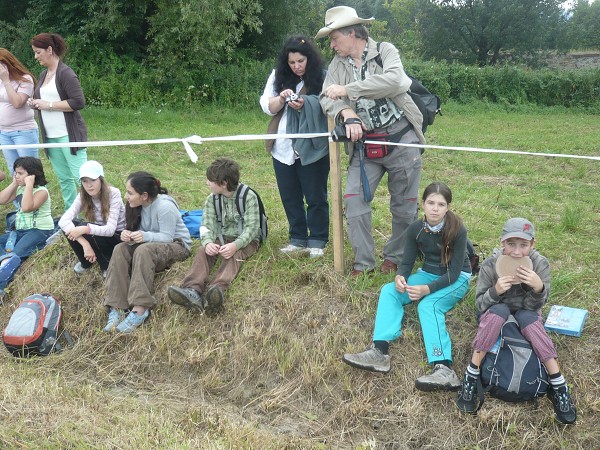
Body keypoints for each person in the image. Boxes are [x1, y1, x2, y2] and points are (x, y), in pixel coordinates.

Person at [318, 6, 425, 276]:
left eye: (334, 38)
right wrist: (347, 112)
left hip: (402, 140)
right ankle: (363, 263)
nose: (331, 45)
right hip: (365, 147)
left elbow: (395, 81)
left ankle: (396, 258)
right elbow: (325, 97)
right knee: (354, 201)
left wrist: (348, 90)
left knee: (404, 207)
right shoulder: (337, 65)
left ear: (351, 32)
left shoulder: (386, 51)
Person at [342, 183, 471, 391]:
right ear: (423, 204)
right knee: (389, 291)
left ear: (448, 207)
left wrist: (427, 290)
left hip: (456, 278)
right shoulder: (416, 229)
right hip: (427, 273)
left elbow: (454, 272)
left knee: (428, 306)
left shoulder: (458, 229)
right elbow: (407, 261)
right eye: (430, 203)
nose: (435, 208)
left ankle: (444, 368)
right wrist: (401, 277)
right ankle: (380, 352)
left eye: (441, 204)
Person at [456, 218, 576, 424]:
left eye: (524, 245)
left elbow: (534, 307)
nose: (517, 252)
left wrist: (537, 288)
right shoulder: (491, 264)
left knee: (528, 318)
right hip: (495, 313)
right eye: (511, 244)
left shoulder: (539, 264)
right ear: (502, 243)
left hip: (525, 313)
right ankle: (471, 373)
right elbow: (480, 305)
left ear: (532, 244)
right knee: (500, 310)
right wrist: (496, 291)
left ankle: (558, 383)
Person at [259, 35, 329, 258]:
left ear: (309, 58)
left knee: (315, 195)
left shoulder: (323, 76)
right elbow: (267, 105)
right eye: (292, 62)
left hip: (312, 146)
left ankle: (317, 240)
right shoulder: (278, 76)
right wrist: (282, 98)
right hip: (282, 147)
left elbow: (328, 105)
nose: (297, 66)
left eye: (301, 61)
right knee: (290, 195)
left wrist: (305, 103)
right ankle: (297, 238)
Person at [167, 158, 261, 315]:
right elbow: (206, 225)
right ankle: (192, 290)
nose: (207, 183)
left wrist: (235, 245)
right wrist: (208, 242)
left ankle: (216, 291)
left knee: (234, 255)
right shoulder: (211, 199)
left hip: (247, 241)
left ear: (224, 183)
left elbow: (252, 229)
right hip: (222, 236)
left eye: (210, 180)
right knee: (202, 251)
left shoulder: (248, 196)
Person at [103, 172, 191, 333]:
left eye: (130, 193)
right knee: (120, 249)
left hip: (177, 245)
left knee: (143, 250)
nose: (126, 196)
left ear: (144, 195)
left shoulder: (165, 206)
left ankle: (140, 308)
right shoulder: (135, 206)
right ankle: (117, 307)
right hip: (151, 245)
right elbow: (140, 234)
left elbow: (167, 236)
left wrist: (144, 236)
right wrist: (127, 235)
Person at [29, 33, 87, 211]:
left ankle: (98, 213)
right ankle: (71, 215)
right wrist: (36, 103)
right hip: (51, 137)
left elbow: (78, 102)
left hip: (68, 135)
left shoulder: (66, 73)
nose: (35, 56)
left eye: (38, 52)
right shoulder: (43, 74)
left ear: (49, 50)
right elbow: (45, 103)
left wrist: (49, 105)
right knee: (64, 179)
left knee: (84, 179)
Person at [58, 160, 126, 278]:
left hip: (118, 236)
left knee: (87, 229)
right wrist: (85, 244)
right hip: (101, 234)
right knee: (71, 226)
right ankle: (86, 261)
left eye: (93, 180)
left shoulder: (114, 193)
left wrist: (85, 229)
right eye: (85, 181)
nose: (89, 185)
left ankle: (107, 265)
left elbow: (110, 230)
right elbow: (63, 221)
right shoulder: (82, 196)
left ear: (101, 179)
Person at [0, 157, 54, 295]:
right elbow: (2, 199)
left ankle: (3, 282)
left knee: (16, 254)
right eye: (15, 173)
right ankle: (3, 262)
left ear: (32, 175)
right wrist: (14, 184)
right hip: (20, 231)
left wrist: (29, 186)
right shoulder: (20, 188)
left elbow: (26, 207)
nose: (16, 176)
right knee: (6, 249)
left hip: (39, 231)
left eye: (20, 173)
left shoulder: (42, 191)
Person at [0, 48, 39, 175]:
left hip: (23, 131)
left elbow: (17, 103)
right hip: (4, 132)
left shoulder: (25, 79)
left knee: (29, 170)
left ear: (6, 64)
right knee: (14, 171)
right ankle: (19, 195)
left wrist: (6, 80)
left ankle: (38, 194)